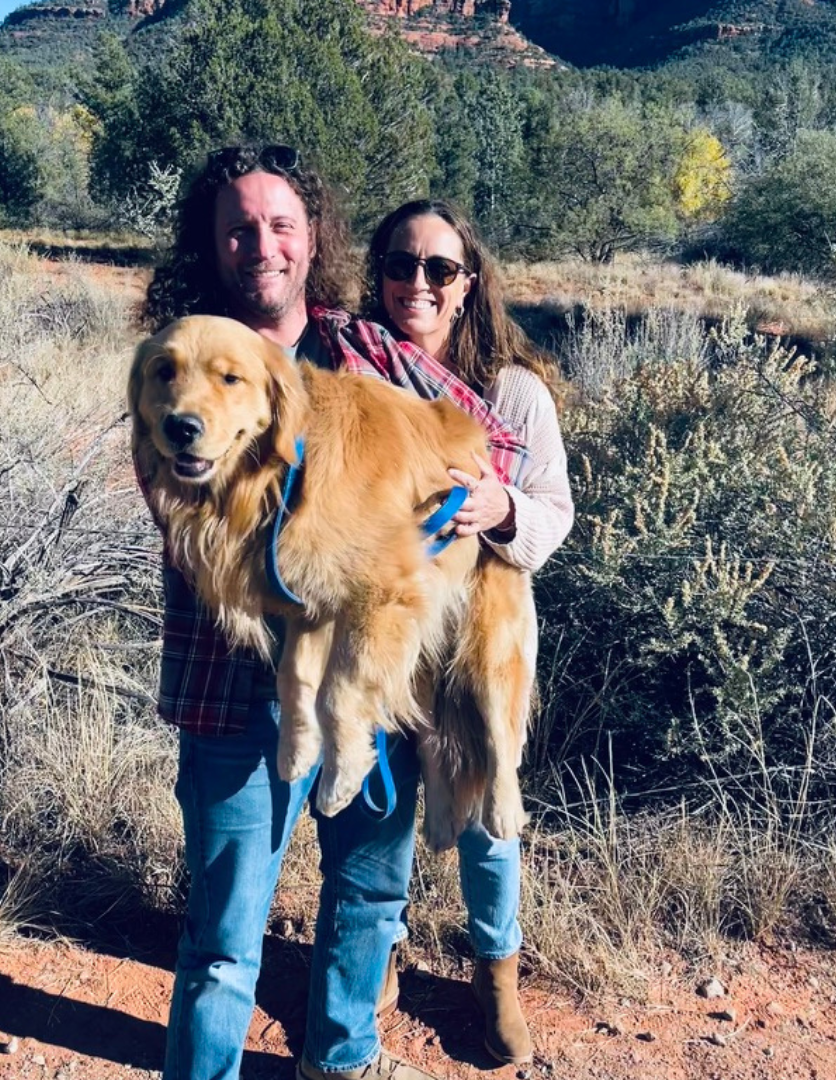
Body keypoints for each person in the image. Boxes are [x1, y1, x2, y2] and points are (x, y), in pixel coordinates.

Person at [141, 146, 526, 1080]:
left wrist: (469, 506)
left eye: (280, 225)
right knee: (224, 939)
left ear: (313, 240)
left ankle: (341, 1062)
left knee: (365, 901)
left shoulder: (363, 351)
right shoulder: (179, 359)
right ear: (213, 242)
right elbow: (165, 474)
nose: (260, 245)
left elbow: (494, 443)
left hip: (365, 679)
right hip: (230, 694)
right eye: (239, 227)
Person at [357, 199, 575, 1066]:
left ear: (467, 285)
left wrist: (502, 506)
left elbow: (553, 513)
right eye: (401, 265)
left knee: (491, 811)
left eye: (438, 269)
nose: (418, 282)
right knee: (378, 805)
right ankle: (376, 960)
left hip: (483, 634)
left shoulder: (512, 391)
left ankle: (496, 975)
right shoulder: (355, 373)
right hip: (387, 626)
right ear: (378, 275)